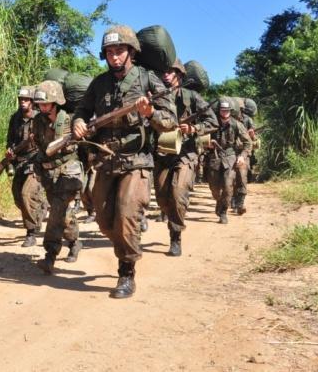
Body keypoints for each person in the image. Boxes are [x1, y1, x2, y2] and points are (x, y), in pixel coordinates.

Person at [72, 25, 177, 299]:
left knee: (127, 216)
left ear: (131, 52)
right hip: (106, 161)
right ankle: (125, 246)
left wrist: (150, 112)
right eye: (109, 52)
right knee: (106, 222)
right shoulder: (99, 83)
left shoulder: (148, 80)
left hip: (137, 161)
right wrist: (79, 122)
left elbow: (170, 121)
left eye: (119, 51)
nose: (114, 57)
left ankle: (126, 271)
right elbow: (82, 110)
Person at [153, 60, 217, 256]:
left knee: (178, 194)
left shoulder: (192, 97)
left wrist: (194, 128)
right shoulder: (155, 96)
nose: (166, 75)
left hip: (186, 154)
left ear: (179, 76)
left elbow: (212, 121)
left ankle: (175, 236)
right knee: (163, 198)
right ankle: (172, 221)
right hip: (162, 153)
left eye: (170, 72)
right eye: (163, 71)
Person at [32, 80, 84, 274]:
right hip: (48, 173)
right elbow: (39, 145)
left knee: (56, 213)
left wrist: (70, 141)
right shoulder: (38, 121)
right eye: (40, 104)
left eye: (45, 104)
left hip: (68, 171)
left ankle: (50, 255)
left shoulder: (69, 120)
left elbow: (80, 145)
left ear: (56, 102)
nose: (42, 107)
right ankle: (74, 241)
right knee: (64, 215)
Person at [6, 86, 47, 247]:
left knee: (26, 194)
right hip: (20, 161)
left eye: (26, 100)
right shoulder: (15, 118)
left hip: (36, 161)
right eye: (21, 99)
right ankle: (41, 208)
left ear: (32, 102)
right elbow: (10, 139)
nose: (23, 102)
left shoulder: (40, 118)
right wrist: (10, 151)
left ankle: (31, 232)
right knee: (17, 197)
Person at [206, 101, 253, 224]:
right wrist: (207, 143)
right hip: (214, 157)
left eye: (227, 110)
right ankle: (219, 201)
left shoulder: (237, 125)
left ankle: (223, 212)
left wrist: (242, 156)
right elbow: (200, 138)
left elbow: (248, 143)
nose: (224, 112)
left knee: (228, 186)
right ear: (219, 111)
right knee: (214, 188)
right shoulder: (212, 123)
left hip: (230, 158)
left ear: (230, 111)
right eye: (222, 110)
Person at [233, 107, 256, 215]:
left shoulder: (248, 120)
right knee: (230, 179)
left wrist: (252, 135)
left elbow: (254, 138)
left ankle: (240, 204)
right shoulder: (227, 121)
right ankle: (232, 199)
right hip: (230, 153)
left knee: (242, 177)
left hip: (244, 152)